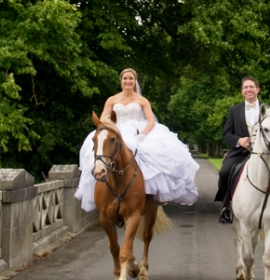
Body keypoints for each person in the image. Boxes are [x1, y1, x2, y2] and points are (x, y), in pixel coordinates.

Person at [74, 68, 199, 212]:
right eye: (125, 78)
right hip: (117, 130)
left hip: (137, 131)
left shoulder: (142, 100)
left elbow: (151, 120)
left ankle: (150, 195)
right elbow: (103, 119)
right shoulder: (112, 99)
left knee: (153, 156)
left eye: (131, 79)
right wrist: (111, 129)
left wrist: (143, 134)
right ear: (121, 81)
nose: (128, 81)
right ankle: (100, 193)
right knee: (95, 154)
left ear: (134, 82)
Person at [215, 76, 270, 224]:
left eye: (251, 87)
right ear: (242, 91)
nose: (248, 89)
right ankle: (225, 207)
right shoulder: (234, 110)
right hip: (240, 152)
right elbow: (226, 134)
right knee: (225, 172)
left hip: (265, 153)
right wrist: (239, 140)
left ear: (257, 89)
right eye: (245, 87)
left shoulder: (269, 111)